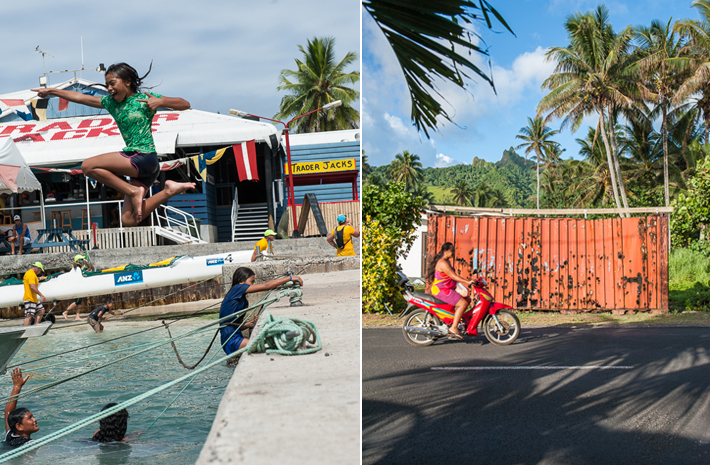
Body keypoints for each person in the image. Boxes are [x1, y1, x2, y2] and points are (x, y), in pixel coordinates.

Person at [32, 62, 194, 227]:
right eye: (107, 84)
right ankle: (168, 191)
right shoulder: (111, 103)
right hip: (143, 170)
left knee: (88, 166)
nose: (109, 88)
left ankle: (132, 191)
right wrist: (52, 91)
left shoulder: (144, 99)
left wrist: (162, 102)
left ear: (127, 82)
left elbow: (185, 104)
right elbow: (80, 98)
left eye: (112, 83)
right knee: (128, 220)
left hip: (143, 156)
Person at [220, 267, 303, 355]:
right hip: (230, 340)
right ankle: (290, 336)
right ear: (240, 281)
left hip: (237, 337)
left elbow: (239, 326)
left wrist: (252, 322)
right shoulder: (237, 288)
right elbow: (267, 286)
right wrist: (290, 278)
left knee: (270, 343)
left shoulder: (243, 301)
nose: (254, 284)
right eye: (251, 281)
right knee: (270, 344)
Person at [427, 242, 474, 340]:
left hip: (448, 288)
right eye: (452, 250)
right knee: (463, 304)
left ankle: (456, 321)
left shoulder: (446, 261)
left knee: (468, 299)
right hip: (442, 290)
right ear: (445, 251)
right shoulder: (443, 263)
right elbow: (454, 276)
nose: (453, 252)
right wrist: (468, 282)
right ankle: (453, 327)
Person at [3, 367, 39, 447]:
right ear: (19, 426)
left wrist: (17, 386)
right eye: (30, 418)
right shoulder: (31, 445)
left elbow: (8, 412)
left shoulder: (10, 435)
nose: (34, 419)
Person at [62, 255, 96, 321]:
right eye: (81, 259)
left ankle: (77, 316)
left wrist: (87, 267)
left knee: (79, 302)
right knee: (77, 301)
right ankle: (65, 312)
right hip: (76, 287)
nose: (82, 261)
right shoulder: (75, 268)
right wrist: (84, 267)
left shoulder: (78, 267)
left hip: (78, 286)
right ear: (78, 260)